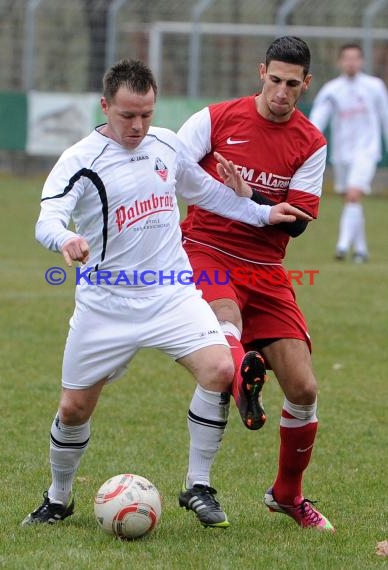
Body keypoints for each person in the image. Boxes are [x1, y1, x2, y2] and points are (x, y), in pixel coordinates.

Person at [21, 59, 309, 529]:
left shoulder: (166, 146)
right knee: (73, 408)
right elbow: (48, 216)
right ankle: (58, 497)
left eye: (146, 115)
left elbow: (210, 194)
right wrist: (64, 238)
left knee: (220, 369)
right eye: (127, 115)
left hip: (171, 294)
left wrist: (261, 214)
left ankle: (199, 485)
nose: (138, 126)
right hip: (106, 303)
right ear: (104, 106)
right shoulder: (80, 159)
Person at [177, 36, 335, 531]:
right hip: (205, 248)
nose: (282, 92)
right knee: (227, 321)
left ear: (305, 84)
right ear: (260, 72)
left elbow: (298, 222)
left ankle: (287, 494)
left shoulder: (310, 143)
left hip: (264, 268)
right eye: (275, 80)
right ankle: (240, 370)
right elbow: (172, 171)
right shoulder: (215, 118)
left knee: (305, 388)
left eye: (293, 84)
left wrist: (255, 201)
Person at [310, 42, 388, 263]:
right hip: (343, 154)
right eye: (347, 58)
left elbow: (385, 117)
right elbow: (317, 120)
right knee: (352, 200)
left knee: (354, 194)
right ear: (340, 62)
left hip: (367, 151)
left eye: (355, 58)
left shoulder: (374, 86)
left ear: (362, 61)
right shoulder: (332, 90)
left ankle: (342, 246)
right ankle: (361, 250)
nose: (351, 62)